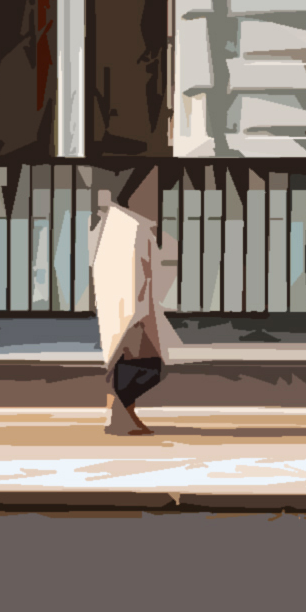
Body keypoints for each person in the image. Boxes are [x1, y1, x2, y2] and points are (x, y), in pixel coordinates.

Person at [92, 169, 175, 436]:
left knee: (139, 365)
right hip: (133, 312)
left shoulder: (129, 225)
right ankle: (122, 416)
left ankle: (123, 416)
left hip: (134, 310)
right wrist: (136, 313)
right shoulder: (130, 227)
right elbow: (132, 273)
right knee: (148, 366)